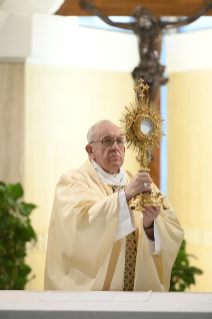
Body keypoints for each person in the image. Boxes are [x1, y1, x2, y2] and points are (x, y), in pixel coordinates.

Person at [44, 120, 184, 291]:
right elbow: (81, 226)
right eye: (107, 141)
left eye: (119, 141)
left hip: (136, 293)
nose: (114, 147)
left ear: (124, 149)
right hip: (92, 297)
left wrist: (150, 225)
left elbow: (173, 226)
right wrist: (125, 194)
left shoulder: (141, 184)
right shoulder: (72, 182)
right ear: (90, 150)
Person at [79, 0, 212, 103]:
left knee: (152, 106)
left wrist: (205, 9)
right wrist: (93, 10)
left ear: (148, 17)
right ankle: (139, 135)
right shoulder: (138, 28)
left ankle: (151, 135)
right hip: (141, 70)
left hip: (155, 72)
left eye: (142, 19)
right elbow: (112, 23)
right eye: (138, 20)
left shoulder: (160, 27)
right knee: (140, 105)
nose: (140, 22)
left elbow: (186, 21)